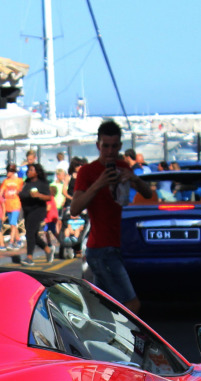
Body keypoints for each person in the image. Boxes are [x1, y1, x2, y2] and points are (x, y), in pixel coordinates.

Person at [70, 119, 154, 313]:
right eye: (105, 146)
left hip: (113, 246)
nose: (109, 151)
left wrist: (133, 178)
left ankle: (100, 339)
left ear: (120, 146)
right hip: (100, 249)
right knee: (131, 305)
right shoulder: (87, 172)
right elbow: (75, 208)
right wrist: (99, 183)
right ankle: (128, 342)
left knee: (101, 308)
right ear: (98, 145)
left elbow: (148, 193)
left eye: (114, 146)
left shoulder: (122, 166)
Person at [19, 162, 53, 263]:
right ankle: (47, 249)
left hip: (37, 210)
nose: (28, 172)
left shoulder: (42, 184)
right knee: (33, 234)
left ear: (37, 172)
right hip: (27, 211)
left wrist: (38, 195)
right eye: (28, 170)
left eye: (31, 170)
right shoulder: (27, 183)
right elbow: (23, 194)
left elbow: (48, 197)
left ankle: (29, 257)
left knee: (30, 233)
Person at [2, 163, 24, 249]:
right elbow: (2, 191)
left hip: (16, 204)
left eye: (9, 171)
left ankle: (11, 242)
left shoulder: (19, 181)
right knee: (13, 224)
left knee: (12, 223)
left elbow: (20, 190)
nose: (7, 172)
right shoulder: (5, 181)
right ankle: (18, 240)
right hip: (8, 205)